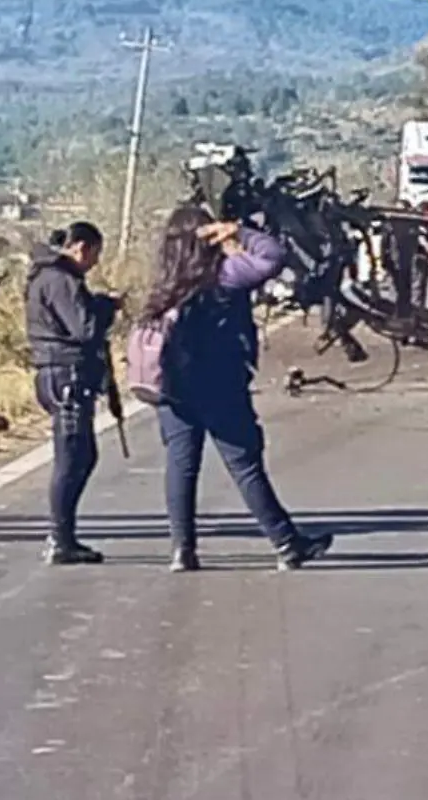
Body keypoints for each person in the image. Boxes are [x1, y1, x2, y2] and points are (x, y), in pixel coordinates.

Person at [142, 205, 332, 572]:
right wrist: (237, 230)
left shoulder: (166, 281)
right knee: (245, 465)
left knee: (181, 466)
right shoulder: (224, 276)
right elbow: (274, 256)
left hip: (173, 386)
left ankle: (182, 550)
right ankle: (286, 543)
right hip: (219, 384)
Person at [24, 221, 119, 565]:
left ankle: (64, 534)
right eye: (94, 254)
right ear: (80, 247)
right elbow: (85, 327)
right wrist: (106, 308)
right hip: (65, 373)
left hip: (63, 372)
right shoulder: (59, 280)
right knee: (71, 456)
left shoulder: (52, 277)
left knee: (83, 455)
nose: (94, 263)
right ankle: (60, 537)